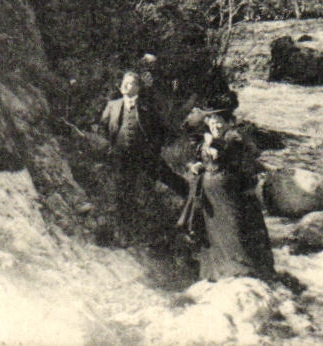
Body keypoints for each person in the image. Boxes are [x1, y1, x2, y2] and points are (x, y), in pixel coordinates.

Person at [186, 107, 276, 282]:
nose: (217, 125)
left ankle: (244, 272)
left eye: (220, 122)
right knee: (213, 233)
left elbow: (231, 155)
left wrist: (213, 143)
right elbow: (196, 158)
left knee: (235, 229)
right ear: (208, 123)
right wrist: (194, 166)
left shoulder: (234, 138)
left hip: (232, 193)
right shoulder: (205, 139)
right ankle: (215, 273)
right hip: (210, 196)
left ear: (228, 124)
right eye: (213, 122)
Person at [100, 71, 187, 240]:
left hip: (146, 156)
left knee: (168, 177)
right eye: (124, 82)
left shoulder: (147, 106)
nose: (126, 85)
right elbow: (103, 127)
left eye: (131, 83)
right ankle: (125, 232)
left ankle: (192, 200)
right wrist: (110, 147)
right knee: (124, 192)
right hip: (122, 157)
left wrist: (153, 149)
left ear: (138, 88)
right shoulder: (113, 105)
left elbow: (162, 130)